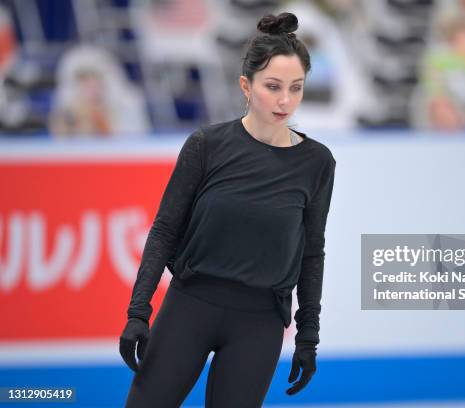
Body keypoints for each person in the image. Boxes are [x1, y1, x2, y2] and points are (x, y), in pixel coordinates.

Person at [119, 12, 336, 408]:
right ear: (246, 86)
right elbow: (165, 230)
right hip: (189, 307)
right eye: (273, 87)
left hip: (260, 323)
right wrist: (138, 311)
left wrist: (308, 335)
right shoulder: (207, 145)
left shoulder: (318, 162)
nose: (285, 100)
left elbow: (311, 252)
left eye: (296, 88)